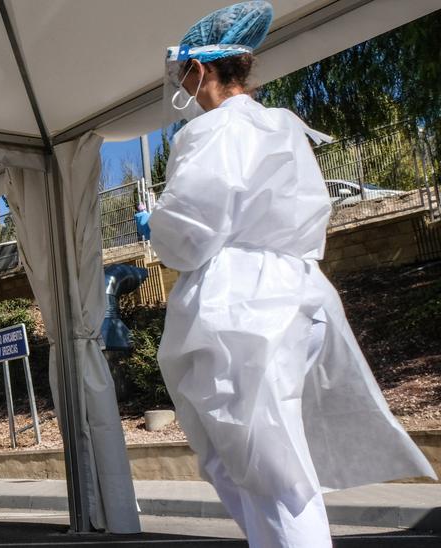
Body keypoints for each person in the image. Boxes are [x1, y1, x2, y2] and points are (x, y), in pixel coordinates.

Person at [148, 2, 435, 547]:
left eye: (182, 72)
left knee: (261, 467)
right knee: (272, 458)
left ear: (201, 70)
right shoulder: (281, 124)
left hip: (242, 305)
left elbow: (187, 235)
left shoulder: (213, 131)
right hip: (296, 292)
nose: (179, 84)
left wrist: (157, 225)